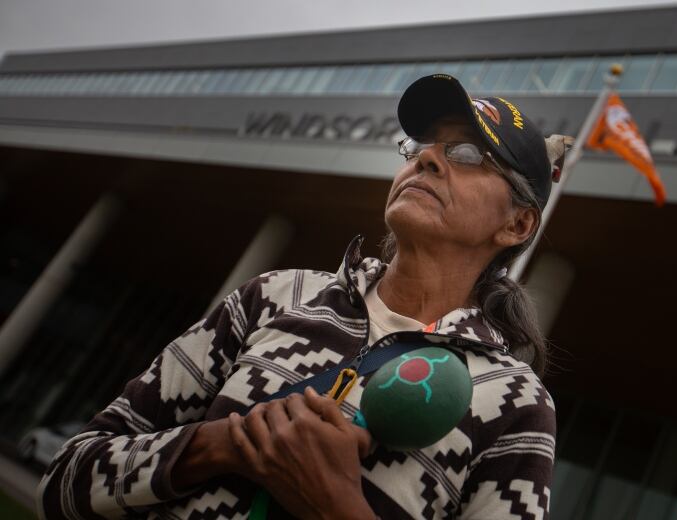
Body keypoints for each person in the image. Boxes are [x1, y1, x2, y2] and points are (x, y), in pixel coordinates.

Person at [37, 74, 561, 519]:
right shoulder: (274, 297)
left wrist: (335, 506)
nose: (425, 161)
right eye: (417, 148)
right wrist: (222, 445)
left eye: (466, 153)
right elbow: (65, 479)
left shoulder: (516, 404)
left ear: (517, 223)